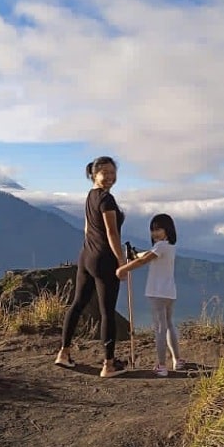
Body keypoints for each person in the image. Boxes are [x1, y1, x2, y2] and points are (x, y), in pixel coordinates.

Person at [55, 156, 128, 378]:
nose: (110, 177)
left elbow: (88, 228)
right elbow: (112, 232)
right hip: (104, 259)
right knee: (107, 312)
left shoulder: (90, 195)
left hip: (86, 256)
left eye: (113, 172)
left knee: (78, 304)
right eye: (105, 172)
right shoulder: (106, 199)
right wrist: (122, 261)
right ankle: (108, 365)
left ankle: (63, 353)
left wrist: (89, 250)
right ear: (94, 175)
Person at [116, 213, 184, 377]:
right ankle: (177, 360)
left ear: (167, 230)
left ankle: (161, 365)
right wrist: (135, 254)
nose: (155, 233)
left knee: (159, 328)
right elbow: (147, 255)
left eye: (158, 229)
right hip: (169, 293)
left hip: (156, 292)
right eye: (153, 230)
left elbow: (144, 260)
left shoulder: (160, 247)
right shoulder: (168, 247)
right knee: (168, 325)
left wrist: (123, 268)